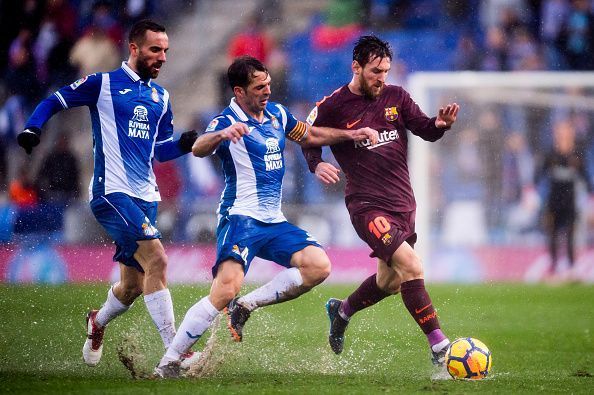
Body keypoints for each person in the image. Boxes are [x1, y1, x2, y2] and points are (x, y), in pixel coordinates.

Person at [154, 55, 378, 378]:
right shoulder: (224, 120)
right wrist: (222, 135)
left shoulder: (276, 114)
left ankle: (247, 306)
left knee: (319, 266)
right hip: (240, 220)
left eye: (269, 84)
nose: (267, 91)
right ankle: (168, 362)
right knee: (224, 291)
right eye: (259, 87)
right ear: (239, 92)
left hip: (273, 221)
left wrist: (350, 135)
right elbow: (200, 148)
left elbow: (310, 136)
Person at [16, 19, 199, 368]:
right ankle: (177, 352)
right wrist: (33, 127)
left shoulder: (161, 96)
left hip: (147, 196)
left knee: (132, 285)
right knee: (158, 260)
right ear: (133, 48)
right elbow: (55, 99)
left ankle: (96, 321)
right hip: (111, 193)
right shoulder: (103, 84)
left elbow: (160, 151)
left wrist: (185, 144)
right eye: (154, 49)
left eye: (165, 51)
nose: (162, 57)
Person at [301, 35, 459, 374]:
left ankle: (342, 311)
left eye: (386, 71)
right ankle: (440, 346)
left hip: (403, 204)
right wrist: (316, 163)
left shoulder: (397, 96)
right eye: (375, 71)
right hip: (366, 206)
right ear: (355, 67)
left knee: (390, 282)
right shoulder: (333, 105)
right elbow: (305, 134)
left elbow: (424, 129)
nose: (382, 78)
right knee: (413, 267)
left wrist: (440, 126)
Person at [538, 119, 592, 277]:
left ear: (571, 134)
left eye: (566, 131)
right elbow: (539, 175)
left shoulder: (577, 155)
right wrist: (533, 193)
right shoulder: (550, 154)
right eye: (560, 132)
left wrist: (590, 198)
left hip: (570, 202)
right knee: (553, 235)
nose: (563, 135)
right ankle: (553, 268)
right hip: (553, 202)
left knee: (570, 234)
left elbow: (586, 179)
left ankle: (572, 268)